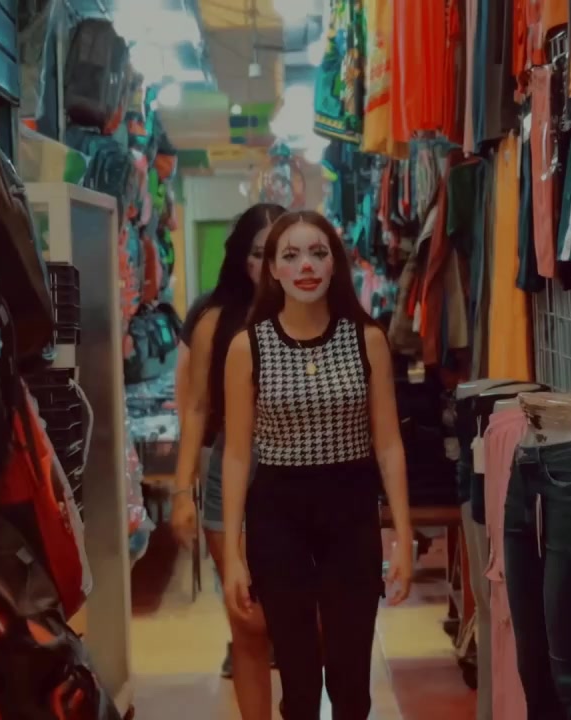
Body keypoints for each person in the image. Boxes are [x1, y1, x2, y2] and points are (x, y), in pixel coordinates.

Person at [220, 210, 414, 720]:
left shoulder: (367, 339)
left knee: (351, 673)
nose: (305, 265)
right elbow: (237, 454)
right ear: (273, 270)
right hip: (277, 514)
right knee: (298, 673)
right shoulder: (248, 347)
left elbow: (388, 444)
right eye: (291, 255)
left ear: (334, 266)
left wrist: (402, 534)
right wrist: (233, 552)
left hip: (350, 509)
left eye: (318, 253)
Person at [172, 203, 284, 716]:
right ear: (242, 258)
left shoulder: (315, 315)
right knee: (248, 620)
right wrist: (182, 491)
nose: (268, 265)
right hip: (229, 472)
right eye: (258, 253)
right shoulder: (213, 320)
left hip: (298, 472)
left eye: (277, 252)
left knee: (303, 620)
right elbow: (196, 408)